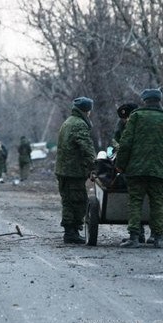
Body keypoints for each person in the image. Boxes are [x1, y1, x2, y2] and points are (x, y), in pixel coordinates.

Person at [115, 89, 163, 248]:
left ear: (144, 100)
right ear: (159, 100)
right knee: (157, 202)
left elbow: (125, 143)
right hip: (159, 170)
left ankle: (134, 237)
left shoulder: (136, 117)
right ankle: (158, 238)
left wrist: (120, 165)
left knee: (135, 201)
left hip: (136, 169)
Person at [55, 97, 96, 244]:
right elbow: (86, 147)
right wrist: (94, 166)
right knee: (79, 201)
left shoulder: (68, 122)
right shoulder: (79, 124)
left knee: (67, 201)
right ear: (87, 110)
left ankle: (69, 232)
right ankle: (72, 231)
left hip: (63, 169)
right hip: (73, 171)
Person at [112, 102, 151, 245]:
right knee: (135, 198)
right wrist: (118, 149)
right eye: (123, 119)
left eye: (127, 117)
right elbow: (116, 139)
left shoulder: (144, 121)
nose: (125, 121)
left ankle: (154, 233)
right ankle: (138, 233)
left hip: (146, 162)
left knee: (152, 197)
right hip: (131, 165)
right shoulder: (121, 124)